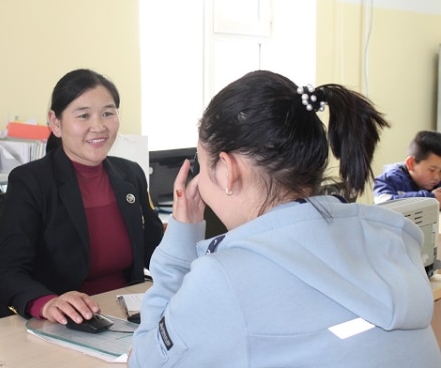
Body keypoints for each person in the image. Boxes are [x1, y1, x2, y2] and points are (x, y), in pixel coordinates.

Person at [128, 70, 441, 367]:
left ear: (227, 169)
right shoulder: (391, 239)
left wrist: (180, 243)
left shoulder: (225, 280)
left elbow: (147, 361)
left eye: (201, 163)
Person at [0, 69, 164, 326]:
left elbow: (155, 251)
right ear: (56, 123)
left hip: (123, 316)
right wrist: (47, 303)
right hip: (58, 322)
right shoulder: (29, 182)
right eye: (84, 115)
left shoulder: (130, 174)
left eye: (108, 113)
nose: (99, 126)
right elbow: (8, 273)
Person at [373, 130, 441, 207]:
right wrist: (429, 198)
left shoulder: (437, 184)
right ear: (411, 163)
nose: (437, 177)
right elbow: (383, 203)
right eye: (432, 170)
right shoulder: (388, 180)